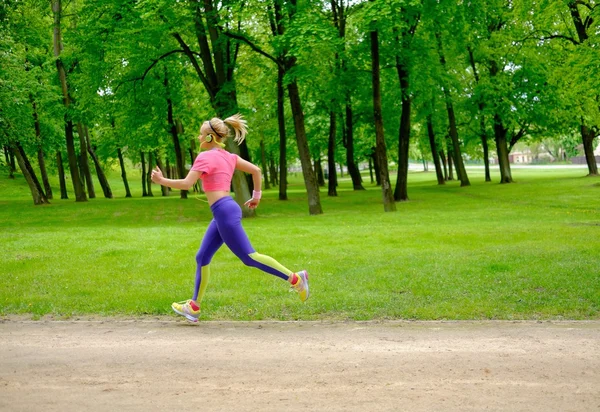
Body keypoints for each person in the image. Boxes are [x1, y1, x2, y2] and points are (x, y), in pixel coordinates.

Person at [151, 113, 309, 322]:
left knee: (249, 257)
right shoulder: (229, 157)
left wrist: (162, 180)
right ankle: (194, 306)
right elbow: (256, 170)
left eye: (200, 135)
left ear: (209, 138)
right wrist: (256, 196)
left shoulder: (205, 157)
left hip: (224, 212)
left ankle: (296, 279)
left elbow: (187, 184)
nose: (198, 139)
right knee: (202, 257)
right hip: (223, 211)